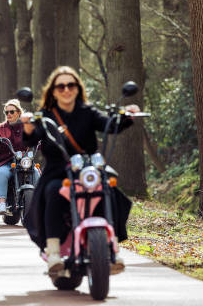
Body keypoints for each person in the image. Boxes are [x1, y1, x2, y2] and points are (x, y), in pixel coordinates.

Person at [21, 66, 138, 276]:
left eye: (71, 85)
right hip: (58, 171)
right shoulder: (46, 115)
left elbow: (109, 124)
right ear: (53, 91)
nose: (66, 90)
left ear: (77, 88)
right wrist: (28, 129)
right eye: (61, 86)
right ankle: (54, 253)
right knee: (53, 192)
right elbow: (33, 137)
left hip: (88, 170)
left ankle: (113, 251)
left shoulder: (88, 112)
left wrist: (127, 116)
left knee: (109, 192)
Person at [0, 99, 40, 215]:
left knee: (36, 172)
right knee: (1, 173)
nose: (9, 114)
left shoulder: (26, 126)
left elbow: (36, 136)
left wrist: (42, 140)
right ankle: (3, 203)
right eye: (7, 112)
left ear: (18, 112)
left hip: (24, 161)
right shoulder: (0, 127)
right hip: (5, 161)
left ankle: (40, 202)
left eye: (12, 112)